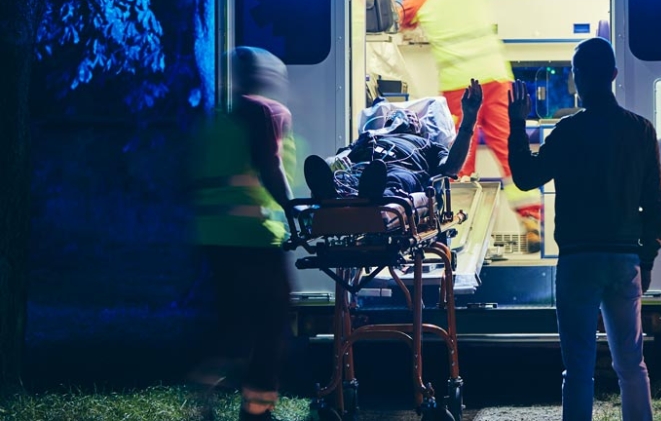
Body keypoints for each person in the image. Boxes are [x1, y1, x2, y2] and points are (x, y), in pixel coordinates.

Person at [507, 37, 661, 421]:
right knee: (632, 363)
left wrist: (516, 124)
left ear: (577, 79)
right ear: (613, 75)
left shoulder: (567, 132)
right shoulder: (640, 131)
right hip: (624, 259)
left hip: (578, 262)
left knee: (578, 368)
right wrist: (645, 258)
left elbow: (527, 177)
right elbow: (657, 202)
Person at [400, 0, 543, 251]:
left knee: (459, 157)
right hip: (497, 74)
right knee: (509, 149)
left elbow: (404, 20)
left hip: (461, 85)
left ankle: (457, 231)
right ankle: (531, 218)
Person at [188, 47, 296, 421]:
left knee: (236, 321)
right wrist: (293, 209)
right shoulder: (264, 112)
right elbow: (270, 166)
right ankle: (257, 410)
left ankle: (205, 381)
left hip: (214, 236)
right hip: (252, 236)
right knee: (272, 320)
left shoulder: (218, 117)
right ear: (264, 77)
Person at [312, 80, 484, 201]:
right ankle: (332, 193)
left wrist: (469, 119)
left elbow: (451, 167)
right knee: (342, 173)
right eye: (393, 114)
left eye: (411, 115)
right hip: (364, 170)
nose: (402, 114)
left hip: (402, 172)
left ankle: (374, 200)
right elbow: (340, 157)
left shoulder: (428, 145)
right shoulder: (371, 136)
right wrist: (334, 161)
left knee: (396, 179)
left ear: (418, 127)